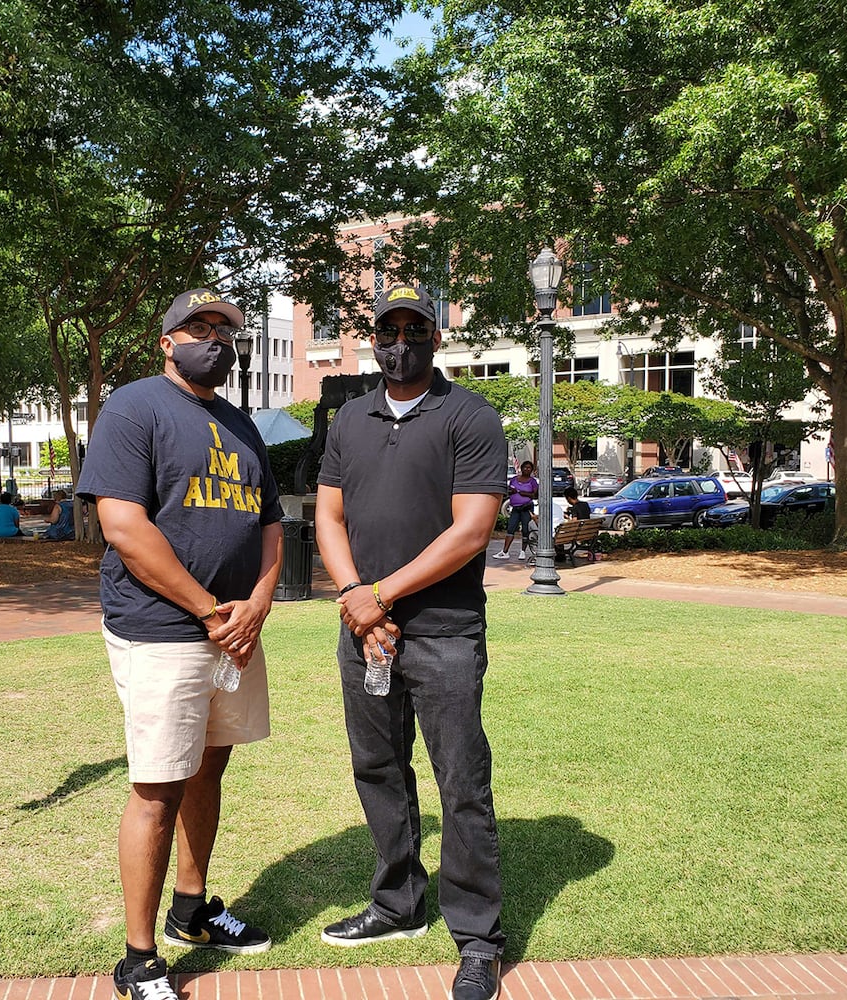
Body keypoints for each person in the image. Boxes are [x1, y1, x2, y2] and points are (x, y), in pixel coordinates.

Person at [75, 287, 284, 1000]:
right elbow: (125, 528)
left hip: (233, 630)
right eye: (199, 328)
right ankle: (137, 959)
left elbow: (270, 526)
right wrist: (208, 612)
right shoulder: (134, 408)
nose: (214, 339)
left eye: (225, 329)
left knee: (208, 770)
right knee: (157, 787)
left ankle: (190, 911)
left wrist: (255, 603)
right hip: (162, 628)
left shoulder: (241, 424)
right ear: (166, 341)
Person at [314, 283, 508, 1000]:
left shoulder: (469, 416)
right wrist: (353, 600)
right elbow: (329, 518)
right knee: (379, 770)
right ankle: (397, 904)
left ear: (436, 336)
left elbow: (470, 531)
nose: (400, 342)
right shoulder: (349, 419)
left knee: (461, 782)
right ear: (372, 337)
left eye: (413, 329)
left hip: (442, 630)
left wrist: (380, 595)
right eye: (387, 330)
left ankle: (478, 940)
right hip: (364, 629)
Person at [494, 460, 538, 561]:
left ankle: (523, 551)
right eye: (525, 467)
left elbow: (534, 495)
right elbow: (509, 491)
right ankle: (505, 551)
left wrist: (521, 492)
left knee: (526, 529)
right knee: (511, 528)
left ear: (531, 470)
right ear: (521, 468)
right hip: (515, 508)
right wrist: (511, 491)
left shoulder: (532, 481)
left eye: (529, 468)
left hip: (526, 508)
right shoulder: (514, 479)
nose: (526, 469)